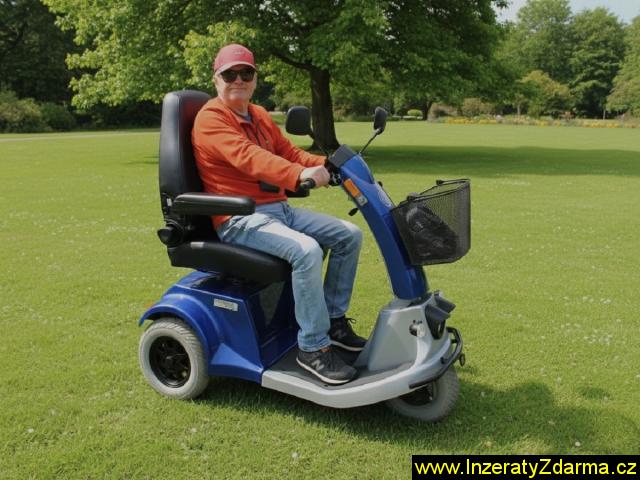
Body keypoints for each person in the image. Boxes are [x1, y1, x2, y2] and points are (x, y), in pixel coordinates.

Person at [192, 44, 365, 385]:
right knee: (306, 251)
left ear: (255, 79)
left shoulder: (258, 115)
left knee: (349, 235)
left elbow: (288, 152)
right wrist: (297, 176)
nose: (238, 80)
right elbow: (249, 157)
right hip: (238, 217)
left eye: (246, 73)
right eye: (230, 74)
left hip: (278, 210)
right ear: (216, 79)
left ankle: (333, 322)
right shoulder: (211, 119)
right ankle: (312, 348)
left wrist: (329, 164)